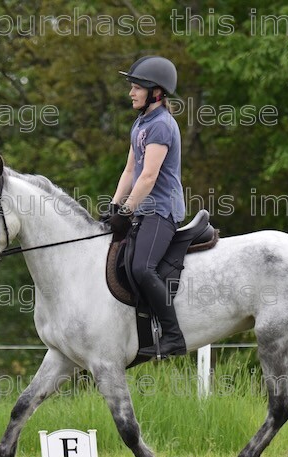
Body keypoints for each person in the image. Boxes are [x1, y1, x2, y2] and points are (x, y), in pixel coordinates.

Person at [106, 55, 187, 358]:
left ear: (155, 92)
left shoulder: (162, 126)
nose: (131, 92)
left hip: (161, 209)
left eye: (136, 87)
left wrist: (127, 210)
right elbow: (130, 171)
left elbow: (149, 176)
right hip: (142, 208)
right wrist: (115, 207)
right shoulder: (141, 123)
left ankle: (174, 336)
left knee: (142, 268)